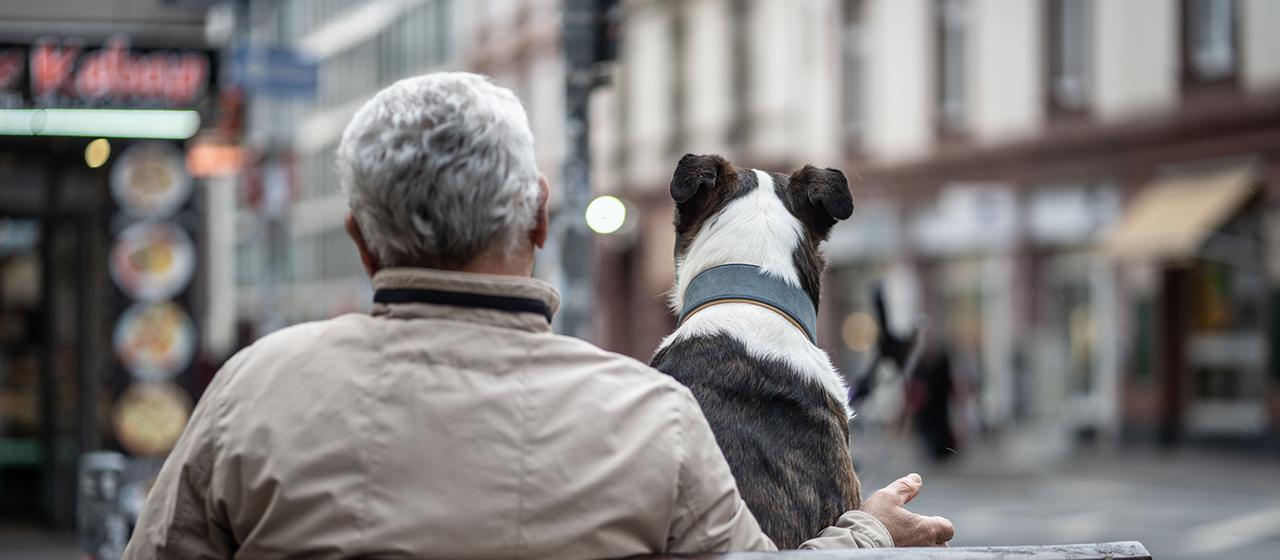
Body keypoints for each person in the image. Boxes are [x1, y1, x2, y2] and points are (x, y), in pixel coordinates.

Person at [123, 72, 954, 559]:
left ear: (360, 241)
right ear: (538, 220)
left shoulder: (249, 395)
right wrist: (864, 534)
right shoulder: (649, 417)